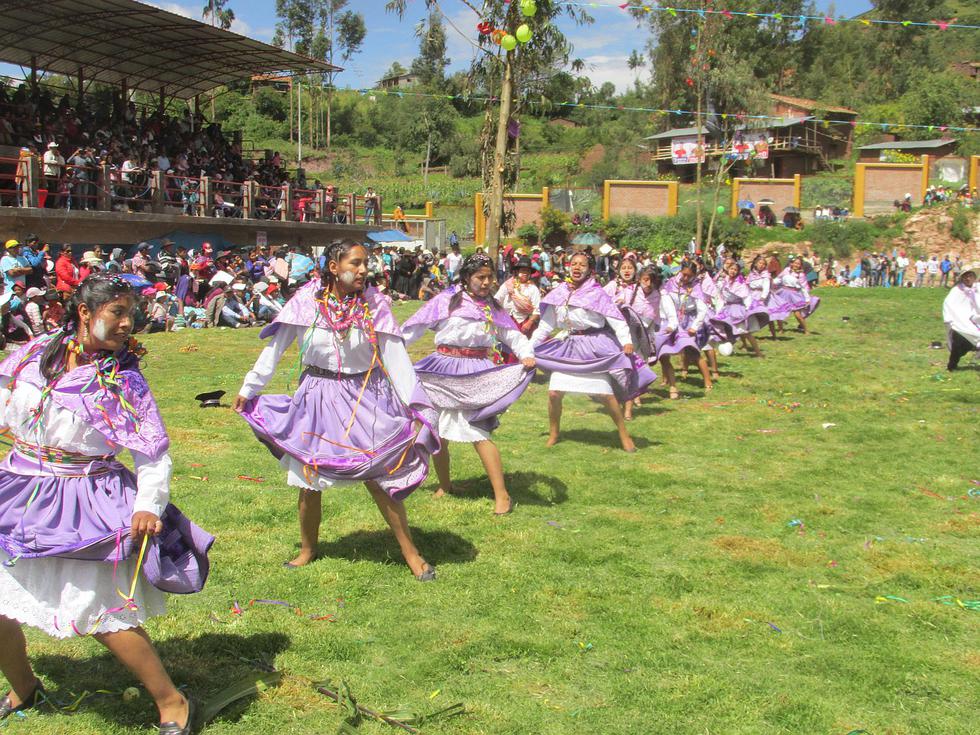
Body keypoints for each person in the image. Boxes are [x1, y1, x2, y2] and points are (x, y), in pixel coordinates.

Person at [0, 275, 213, 735]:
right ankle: (23, 687)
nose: (125, 323)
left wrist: (149, 505)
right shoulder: (36, 354)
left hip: (84, 497)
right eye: (116, 312)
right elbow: (5, 399)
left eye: (129, 314)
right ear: (83, 312)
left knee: (99, 610)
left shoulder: (122, 380)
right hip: (18, 488)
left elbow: (152, 451)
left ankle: (173, 703)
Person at [233, 241, 440, 579]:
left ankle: (411, 553)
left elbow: (395, 357)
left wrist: (417, 404)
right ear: (333, 266)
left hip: (365, 396)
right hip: (316, 396)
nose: (363, 270)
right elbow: (276, 347)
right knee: (308, 477)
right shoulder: (305, 303)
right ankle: (308, 548)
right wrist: (249, 388)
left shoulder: (376, 304)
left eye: (366, 264)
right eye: (355, 263)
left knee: (378, 475)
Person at [402, 253, 536, 515]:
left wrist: (526, 354)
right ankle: (445, 485)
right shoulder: (446, 301)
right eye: (480, 277)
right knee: (436, 429)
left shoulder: (493, 308)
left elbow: (511, 335)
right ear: (466, 277)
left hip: (475, 373)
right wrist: (391, 349)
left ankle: (502, 495)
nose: (486, 283)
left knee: (477, 432)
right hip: (442, 369)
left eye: (490, 277)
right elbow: (414, 328)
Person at [531, 252, 654, 453]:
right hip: (569, 348)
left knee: (605, 395)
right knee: (554, 393)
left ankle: (624, 434)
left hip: (594, 348)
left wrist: (626, 342)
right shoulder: (560, 292)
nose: (577, 267)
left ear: (590, 270)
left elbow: (617, 319)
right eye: (574, 264)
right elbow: (545, 326)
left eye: (582, 265)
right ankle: (554, 434)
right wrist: (529, 348)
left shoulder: (597, 293)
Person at [660, 262, 715, 393]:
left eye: (688, 276)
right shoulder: (672, 283)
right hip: (672, 318)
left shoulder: (696, 287)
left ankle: (707, 380)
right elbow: (665, 300)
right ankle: (665, 378)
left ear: (694, 275)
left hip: (689, 320)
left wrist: (694, 327)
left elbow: (702, 309)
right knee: (664, 351)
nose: (685, 278)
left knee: (692, 351)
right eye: (683, 274)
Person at [710, 258, 770, 358]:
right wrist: (719, 310)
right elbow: (720, 295)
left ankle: (758, 352)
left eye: (735, 270)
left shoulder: (740, 283)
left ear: (738, 272)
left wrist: (748, 308)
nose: (732, 271)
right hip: (727, 308)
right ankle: (723, 350)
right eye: (731, 269)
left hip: (737, 309)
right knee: (726, 330)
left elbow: (746, 296)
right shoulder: (724, 281)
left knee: (745, 332)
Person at [768, 257, 820, 334]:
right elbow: (778, 279)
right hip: (783, 293)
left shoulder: (800, 275)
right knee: (780, 311)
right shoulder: (786, 270)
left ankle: (806, 330)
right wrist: (771, 281)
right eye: (795, 263)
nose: (796, 265)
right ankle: (781, 329)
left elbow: (803, 287)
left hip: (794, 295)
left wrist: (807, 299)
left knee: (797, 314)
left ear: (800, 265)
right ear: (791, 263)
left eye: (798, 264)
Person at [495, 256, 541, 337]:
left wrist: (529, 323)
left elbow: (537, 309)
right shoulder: (508, 284)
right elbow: (497, 299)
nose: (525, 273)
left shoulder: (533, 288)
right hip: (507, 321)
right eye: (523, 270)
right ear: (517, 271)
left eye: (528, 271)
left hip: (524, 324)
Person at [942, 270, 979, 371]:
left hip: (976, 320)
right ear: (962, 278)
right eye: (965, 276)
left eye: (970, 276)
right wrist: (949, 319)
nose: (968, 278)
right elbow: (948, 303)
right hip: (961, 322)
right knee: (959, 345)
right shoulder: (957, 290)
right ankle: (952, 366)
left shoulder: (978, 288)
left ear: (974, 277)